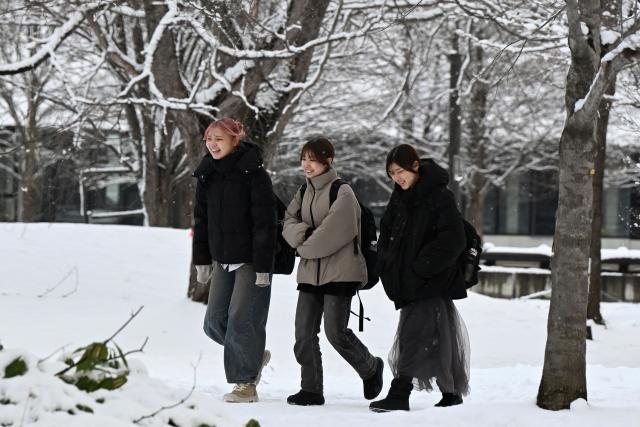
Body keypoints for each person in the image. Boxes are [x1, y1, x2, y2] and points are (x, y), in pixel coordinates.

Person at [282, 136, 384, 406]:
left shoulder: (343, 192)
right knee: (303, 333)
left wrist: (303, 247)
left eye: (312, 159)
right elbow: (287, 222)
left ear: (328, 160)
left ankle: (371, 367)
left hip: (341, 273)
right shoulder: (303, 192)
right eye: (304, 158)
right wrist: (304, 234)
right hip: (309, 275)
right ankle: (311, 389)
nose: (307, 164)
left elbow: (333, 234)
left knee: (335, 333)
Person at [369, 144, 470, 412]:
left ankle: (400, 393)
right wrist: (388, 264)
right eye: (392, 173)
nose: (397, 177)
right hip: (411, 282)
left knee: (413, 336)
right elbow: (387, 231)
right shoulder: (400, 197)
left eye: (400, 171)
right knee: (437, 336)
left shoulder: (439, 196)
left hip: (430, 281)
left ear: (415, 166)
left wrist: (420, 268)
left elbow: (453, 239)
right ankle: (450, 393)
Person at [192, 117, 276, 403]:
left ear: (235, 140)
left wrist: (264, 267)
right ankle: (252, 356)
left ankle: (245, 384)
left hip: (252, 261)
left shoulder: (255, 175)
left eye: (219, 139)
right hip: (222, 259)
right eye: (209, 139)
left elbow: (265, 223)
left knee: (241, 321)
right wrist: (201, 260)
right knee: (214, 322)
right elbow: (201, 221)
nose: (213, 144)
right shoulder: (207, 174)